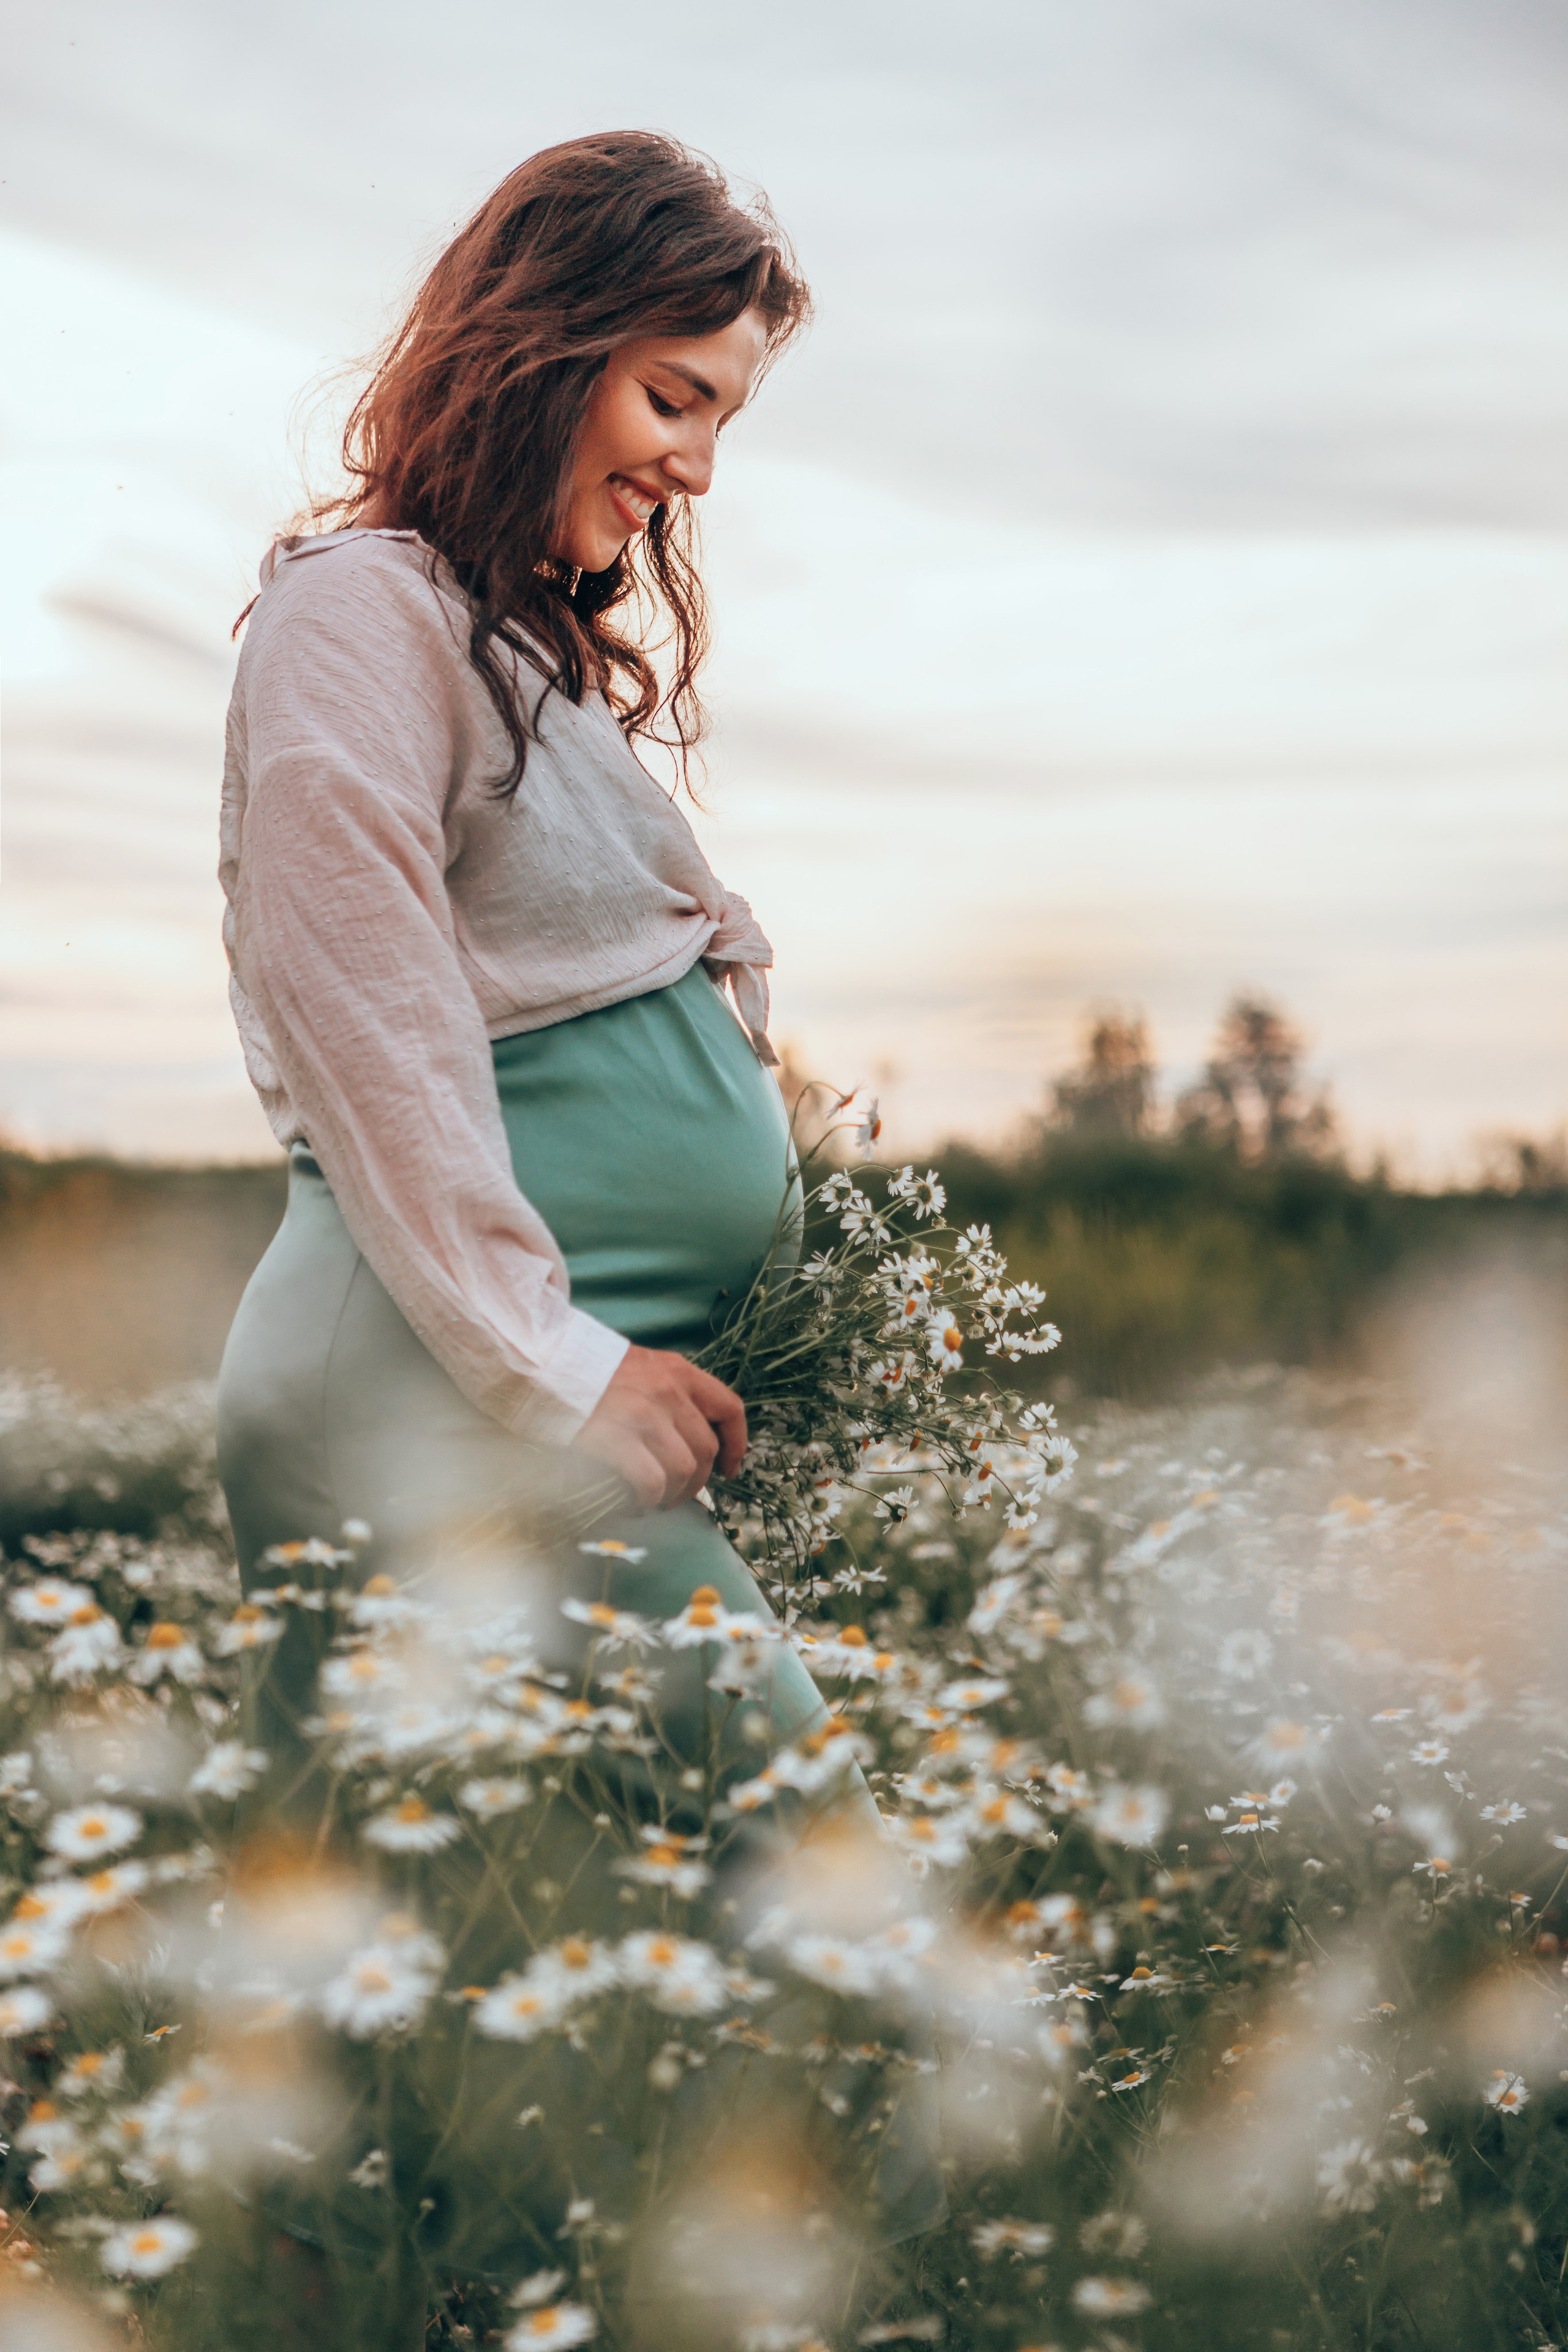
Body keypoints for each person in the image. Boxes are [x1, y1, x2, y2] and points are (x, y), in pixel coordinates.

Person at [215, 131, 942, 2340]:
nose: (699, 470)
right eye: (675, 397)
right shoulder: (362, 613)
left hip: (499, 1379)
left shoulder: (508, 645)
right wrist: (556, 1366)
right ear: (543, 349)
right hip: (434, 1387)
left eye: (723, 416)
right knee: (806, 1862)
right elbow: (378, 1031)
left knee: (412, 1965)